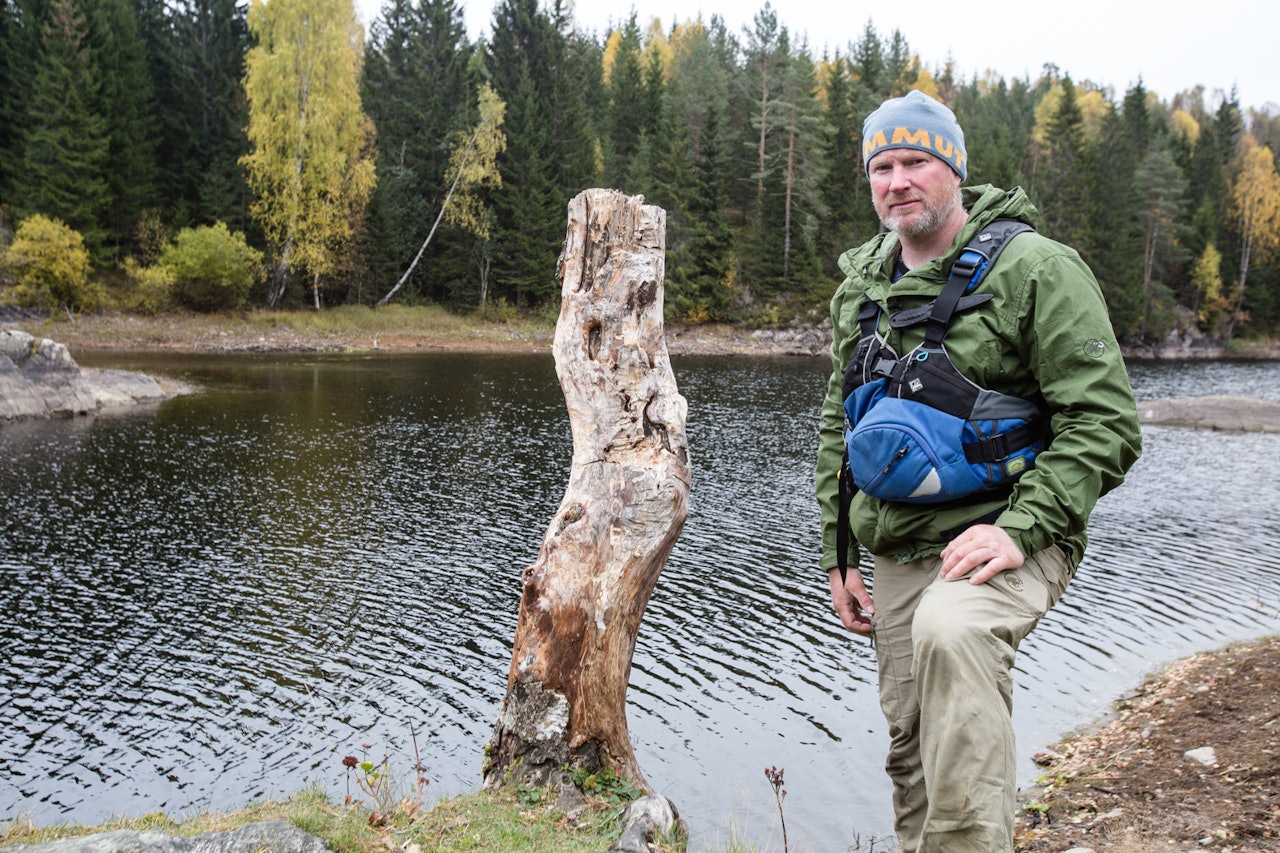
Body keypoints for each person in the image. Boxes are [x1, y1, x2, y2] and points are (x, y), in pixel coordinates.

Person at [816, 89, 1142, 852]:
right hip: (899, 545)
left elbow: (1105, 422)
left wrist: (1018, 529)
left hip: (1016, 528)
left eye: (915, 161)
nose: (897, 180)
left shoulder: (1037, 269)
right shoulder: (859, 289)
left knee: (953, 631)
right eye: (882, 165)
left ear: (954, 168)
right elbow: (843, 424)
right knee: (914, 738)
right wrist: (838, 555)